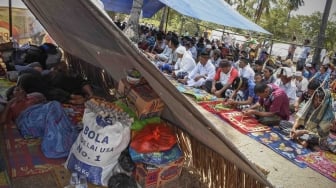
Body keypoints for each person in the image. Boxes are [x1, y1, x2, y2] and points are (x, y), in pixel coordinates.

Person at [0, 86, 78, 158]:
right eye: (17, 90)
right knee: (54, 105)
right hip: (27, 120)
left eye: (22, 89)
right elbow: (2, 120)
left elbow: (44, 105)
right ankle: (53, 148)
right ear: (11, 95)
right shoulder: (12, 105)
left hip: (42, 117)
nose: (22, 90)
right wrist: (11, 102)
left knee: (55, 107)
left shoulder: (32, 98)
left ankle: (62, 141)